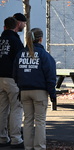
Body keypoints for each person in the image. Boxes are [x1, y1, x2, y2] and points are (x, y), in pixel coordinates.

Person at [13, 28, 57, 150]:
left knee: (27, 120)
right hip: (40, 92)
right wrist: (52, 93)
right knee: (40, 121)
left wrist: (20, 87)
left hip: (24, 91)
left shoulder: (20, 54)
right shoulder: (44, 55)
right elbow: (50, 76)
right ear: (40, 39)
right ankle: (39, 147)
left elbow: (15, 74)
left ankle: (28, 146)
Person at [0, 17, 24, 148]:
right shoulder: (15, 41)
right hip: (12, 79)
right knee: (16, 108)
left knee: (2, 109)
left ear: (4, 27)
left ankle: (2, 138)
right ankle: (16, 138)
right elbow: (19, 59)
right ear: (16, 26)